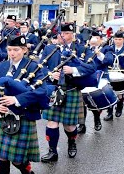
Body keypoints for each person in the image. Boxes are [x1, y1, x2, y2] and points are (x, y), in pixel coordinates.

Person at [0, 35, 47, 174]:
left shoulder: (34, 67)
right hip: (3, 118)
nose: (12, 53)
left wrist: (16, 100)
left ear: (24, 50)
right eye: (9, 50)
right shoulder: (0, 67)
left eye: (16, 50)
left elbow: (41, 91)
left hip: (23, 117)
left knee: (17, 160)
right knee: (2, 158)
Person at [39, 23, 95, 162]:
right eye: (60, 34)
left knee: (69, 125)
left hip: (71, 90)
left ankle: (71, 142)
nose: (62, 36)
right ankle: (52, 152)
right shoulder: (50, 49)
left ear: (73, 35)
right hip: (54, 90)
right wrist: (51, 74)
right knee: (52, 122)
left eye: (66, 34)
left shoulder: (81, 48)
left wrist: (74, 71)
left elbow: (92, 67)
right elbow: (40, 67)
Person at [99, 31, 124, 121]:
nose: (117, 41)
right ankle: (110, 113)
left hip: (122, 74)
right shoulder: (108, 49)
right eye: (115, 39)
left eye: (120, 39)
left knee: (119, 94)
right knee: (109, 93)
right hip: (109, 73)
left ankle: (120, 106)